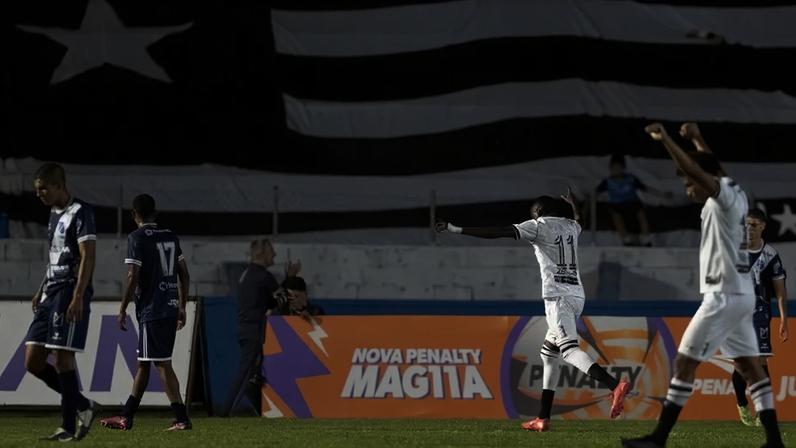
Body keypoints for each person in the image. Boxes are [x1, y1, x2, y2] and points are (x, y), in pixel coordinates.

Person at [621, 124, 784, 448]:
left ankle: (658, 438)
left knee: (684, 363)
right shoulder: (736, 190)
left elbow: (696, 168)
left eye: (688, 183)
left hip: (721, 296)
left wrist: (667, 140)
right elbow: (710, 165)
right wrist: (696, 138)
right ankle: (774, 442)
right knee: (752, 368)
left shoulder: (722, 198)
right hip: (741, 296)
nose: (687, 188)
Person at [436, 189, 631, 432]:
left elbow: (499, 233)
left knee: (569, 352)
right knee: (549, 354)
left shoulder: (539, 226)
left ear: (538, 212)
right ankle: (543, 418)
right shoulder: (572, 227)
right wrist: (572, 205)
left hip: (557, 298)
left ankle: (614, 385)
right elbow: (578, 218)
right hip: (576, 295)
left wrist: (456, 229)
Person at [99, 194, 192, 431]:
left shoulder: (137, 237)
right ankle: (126, 416)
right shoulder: (170, 236)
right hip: (169, 306)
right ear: (155, 213)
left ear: (134, 215)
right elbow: (184, 274)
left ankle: (181, 418)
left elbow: (133, 276)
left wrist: (122, 309)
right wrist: (181, 305)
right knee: (144, 363)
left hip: (153, 309)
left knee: (161, 364)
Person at [23, 162, 99, 441]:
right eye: (37, 190)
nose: (39, 194)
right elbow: (56, 254)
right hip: (49, 293)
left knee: (63, 358)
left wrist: (78, 295)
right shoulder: (54, 214)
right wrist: (40, 288)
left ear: (58, 186)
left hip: (68, 291)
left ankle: (67, 427)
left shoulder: (81, 212)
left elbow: (87, 256)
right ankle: (83, 405)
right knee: (32, 361)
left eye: (43, 189)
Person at [222, 239, 300, 416]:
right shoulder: (263, 276)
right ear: (261, 254)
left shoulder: (247, 274)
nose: (274, 255)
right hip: (253, 331)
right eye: (271, 251)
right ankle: (224, 413)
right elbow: (281, 299)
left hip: (245, 329)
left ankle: (258, 411)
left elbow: (268, 300)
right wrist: (290, 279)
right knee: (246, 375)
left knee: (253, 377)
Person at [732, 208, 788, 426]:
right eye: (746, 224)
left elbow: (780, 291)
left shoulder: (770, 255)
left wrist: (783, 319)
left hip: (759, 314)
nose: (749, 229)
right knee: (741, 366)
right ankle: (741, 403)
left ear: (763, 226)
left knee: (761, 360)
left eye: (754, 225)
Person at [596, 154, 671, 246]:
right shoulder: (607, 182)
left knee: (641, 213)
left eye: (617, 167)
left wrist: (663, 195)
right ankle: (626, 239)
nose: (615, 170)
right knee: (615, 214)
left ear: (622, 168)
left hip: (632, 203)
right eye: (613, 168)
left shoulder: (630, 179)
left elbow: (646, 188)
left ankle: (645, 238)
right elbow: (595, 193)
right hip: (617, 205)